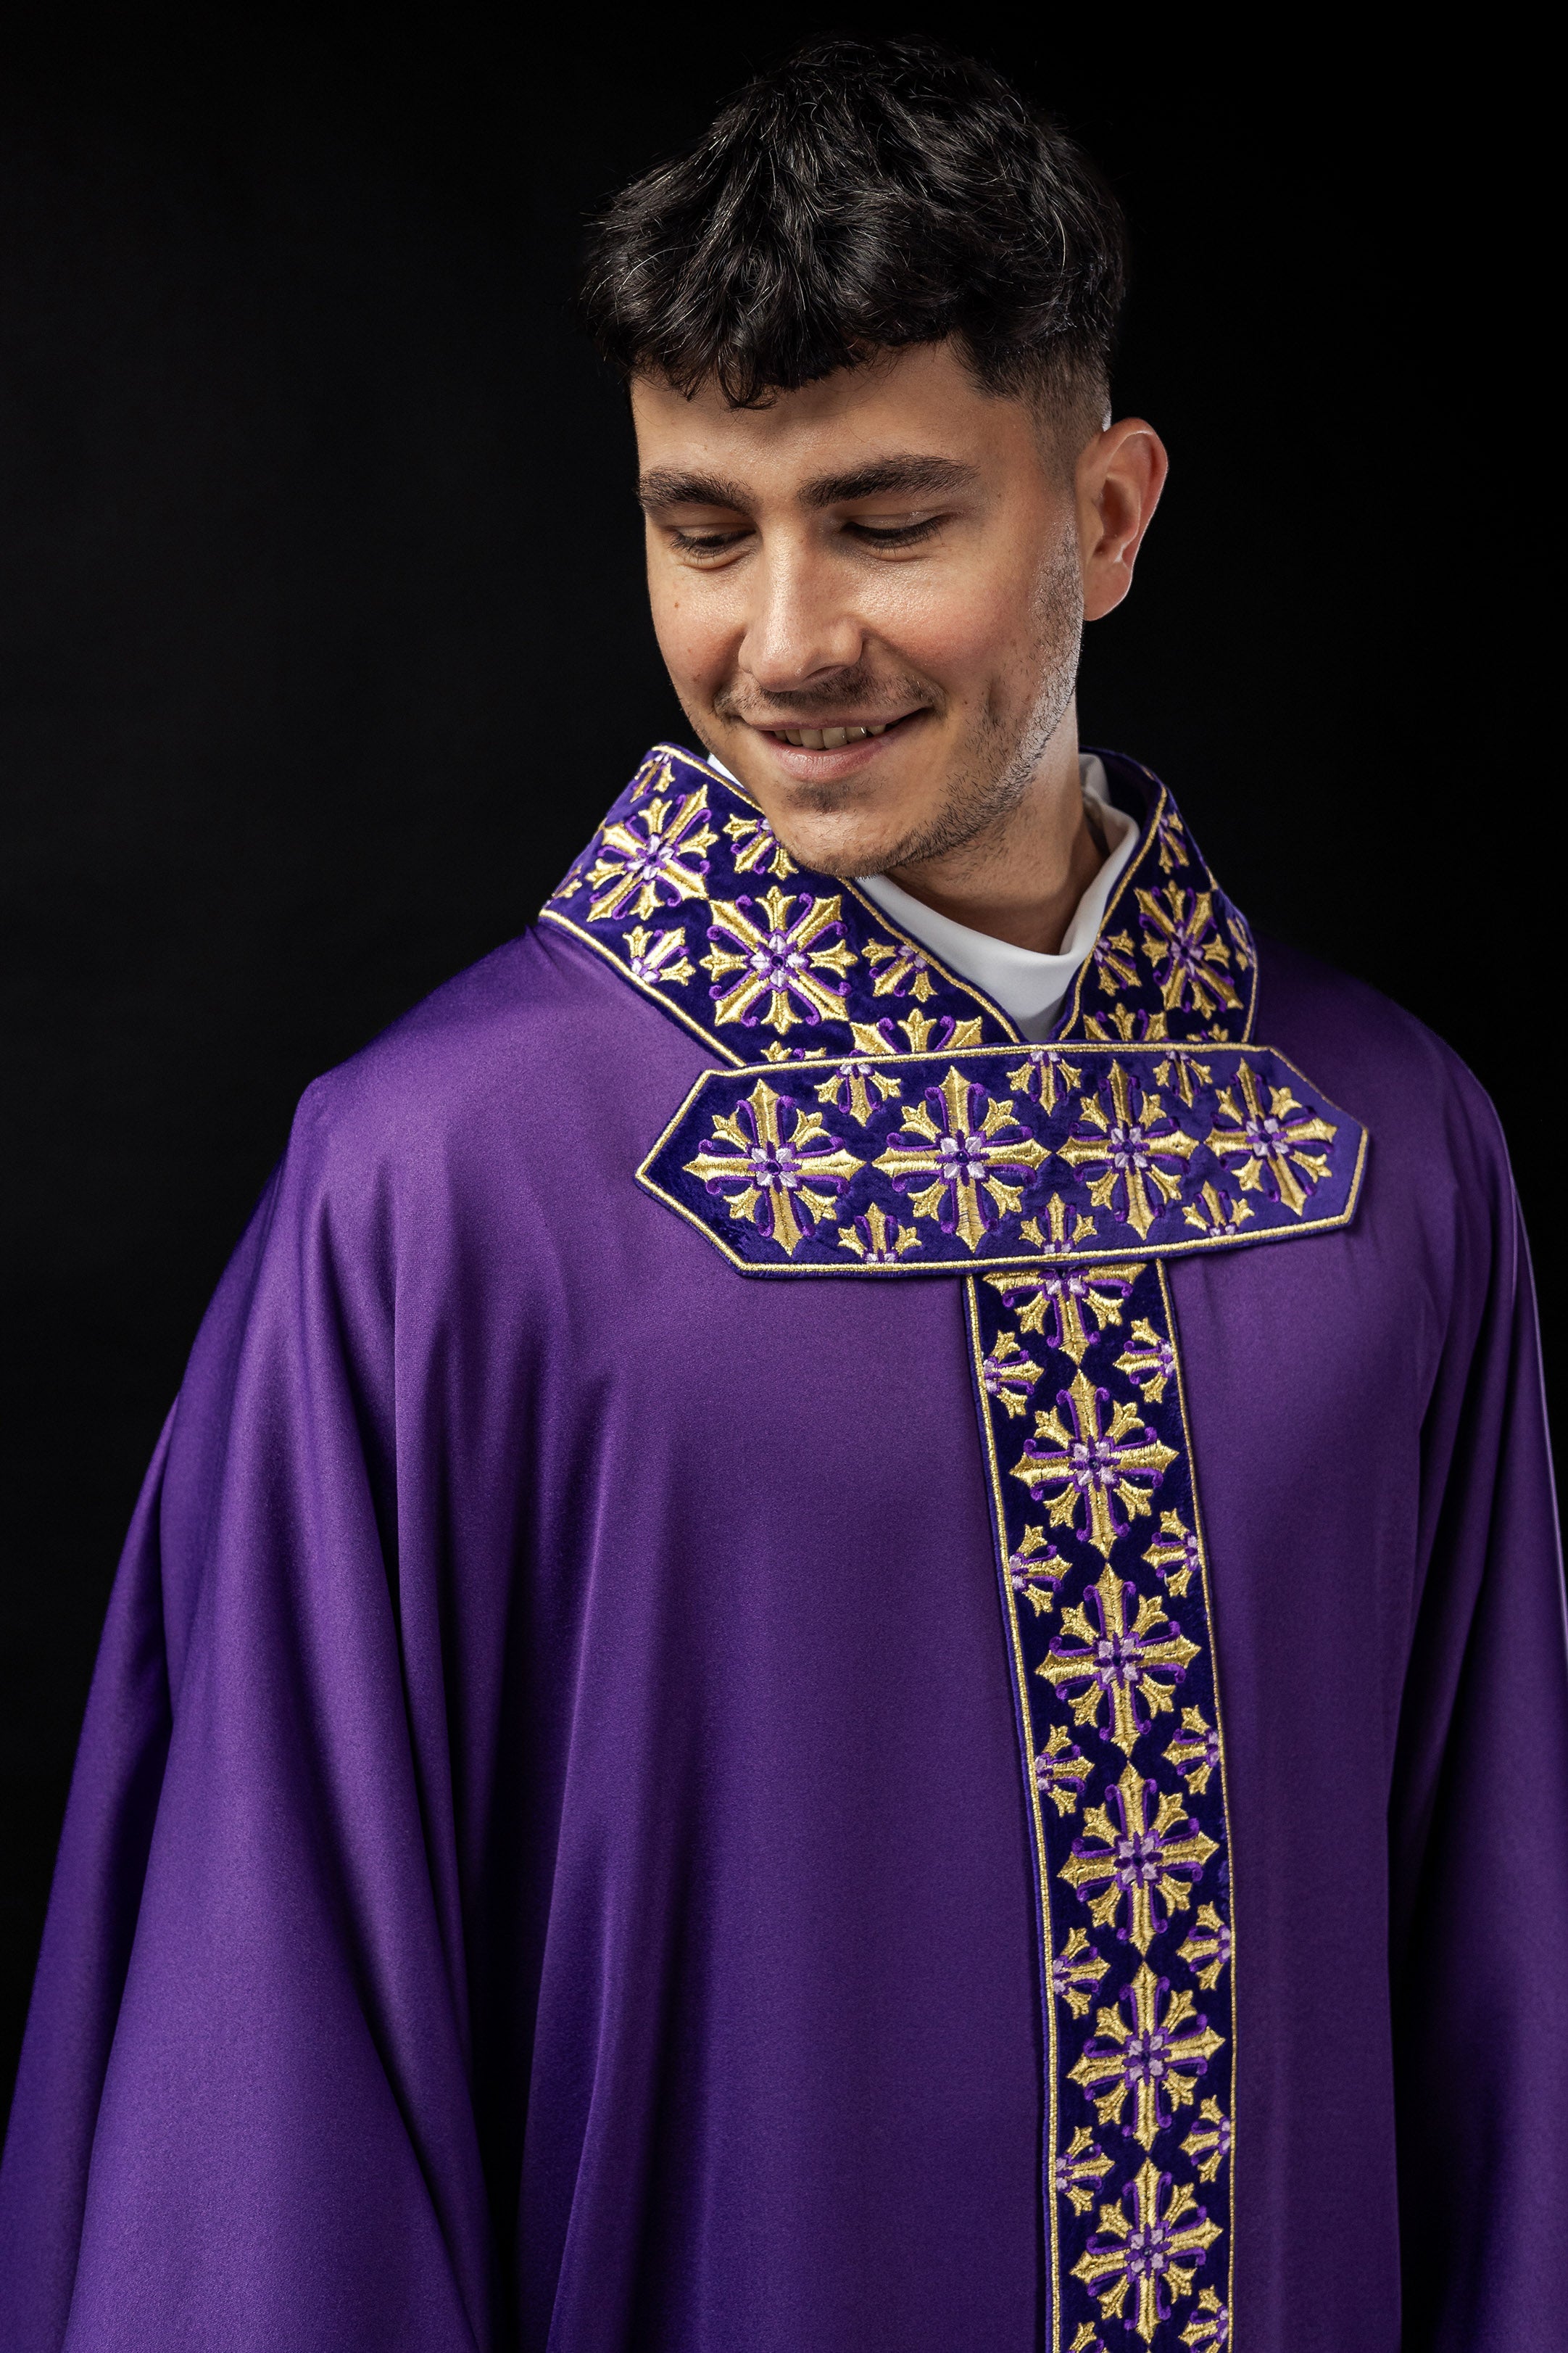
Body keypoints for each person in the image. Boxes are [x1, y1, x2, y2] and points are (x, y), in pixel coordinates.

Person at [1, 35, 1561, 2353]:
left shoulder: (1380, 1156)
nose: (782, 643)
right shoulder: (443, 1193)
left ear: (1108, 516)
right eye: (702, 526)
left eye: (891, 519)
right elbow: (274, 2082)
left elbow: (1497, 1996)